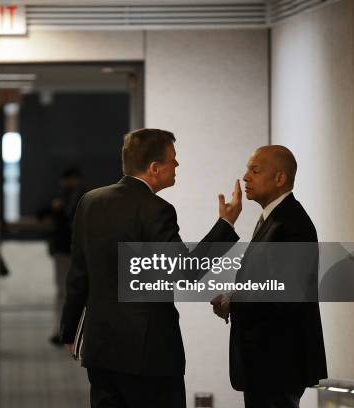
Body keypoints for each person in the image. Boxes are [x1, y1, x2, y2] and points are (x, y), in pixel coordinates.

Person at [59, 128, 242, 408]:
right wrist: (225, 225)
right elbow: (185, 271)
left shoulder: (90, 202)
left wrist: (70, 331)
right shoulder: (156, 208)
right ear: (155, 168)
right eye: (173, 159)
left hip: (101, 349)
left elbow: (78, 275)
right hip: (149, 355)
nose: (177, 165)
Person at [211, 145, 328, 408]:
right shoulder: (272, 219)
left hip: (277, 363)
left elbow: (281, 294)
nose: (245, 177)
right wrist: (233, 297)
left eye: (254, 170)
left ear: (280, 178)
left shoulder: (290, 224)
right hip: (266, 363)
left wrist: (233, 302)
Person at [39, 168, 83, 346]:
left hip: (69, 250)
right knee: (65, 292)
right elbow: (42, 213)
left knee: (65, 292)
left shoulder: (77, 197)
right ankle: (63, 330)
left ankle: (66, 330)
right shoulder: (71, 197)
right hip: (67, 250)